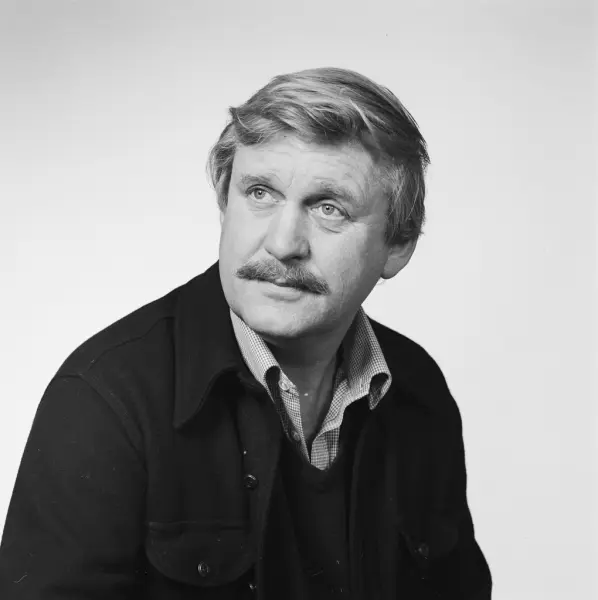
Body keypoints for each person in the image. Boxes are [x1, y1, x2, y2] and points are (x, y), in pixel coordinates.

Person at [0, 67, 492, 599]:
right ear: (223, 202)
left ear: (398, 246)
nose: (282, 243)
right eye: (260, 193)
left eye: (329, 208)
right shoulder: (107, 399)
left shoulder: (416, 388)